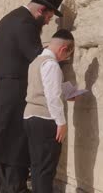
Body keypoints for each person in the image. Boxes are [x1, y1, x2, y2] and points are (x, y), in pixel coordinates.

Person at [0, 0, 64, 192]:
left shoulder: (11, 18)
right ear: (41, 10)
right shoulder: (25, 23)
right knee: (13, 147)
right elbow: (38, 59)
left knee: (2, 146)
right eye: (49, 16)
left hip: (1, 92)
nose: (49, 21)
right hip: (12, 95)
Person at [23, 29, 74, 193]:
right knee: (46, 170)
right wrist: (62, 122)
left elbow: (43, 89)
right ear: (63, 49)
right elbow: (52, 97)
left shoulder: (36, 61)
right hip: (45, 120)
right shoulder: (51, 64)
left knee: (37, 167)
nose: (65, 59)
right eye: (67, 55)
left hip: (30, 117)